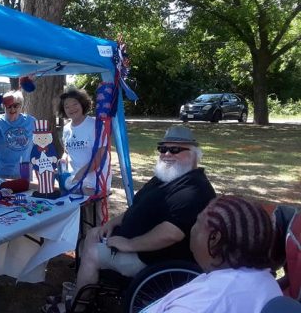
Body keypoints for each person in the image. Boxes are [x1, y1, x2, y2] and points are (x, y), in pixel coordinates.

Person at [45, 126, 216, 312]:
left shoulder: (193, 190)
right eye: (162, 149)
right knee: (92, 234)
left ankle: (77, 306)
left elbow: (171, 234)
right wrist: (112, 223)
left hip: (152, 257)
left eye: (175, 149)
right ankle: (81, 290)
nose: (167, 154)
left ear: (194, 155)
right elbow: (137, 207)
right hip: (133, 241)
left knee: (92, 251)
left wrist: (129, 244)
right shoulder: (166, 177)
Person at [142, 195, 282, 312]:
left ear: (214, 239)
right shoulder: (265, 280)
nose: (192, 228)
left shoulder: (200, 306)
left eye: (197, 222)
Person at [57, 87, 112, 194]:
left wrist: (81, 173)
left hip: (96, 183)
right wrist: (63, 160)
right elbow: (67, 151)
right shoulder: (66, 128)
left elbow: (100, 155)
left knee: (94, 211)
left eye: (75, 104)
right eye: (66, 106)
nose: (71, 108)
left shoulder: (96, 125)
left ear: (82, 103)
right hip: (75, 181)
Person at [0, 90, 36, 179]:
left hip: (25, 172)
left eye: (16, 106)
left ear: (21, 106)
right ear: (4, 106)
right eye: (9, 106)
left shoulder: (31, 121)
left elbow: (40, 141)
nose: (12, 109)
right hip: (2, 172)